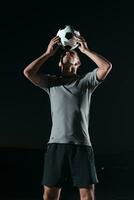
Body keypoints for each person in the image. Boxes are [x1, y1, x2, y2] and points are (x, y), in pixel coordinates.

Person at [23, 34, 112, 200]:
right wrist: (48, 53)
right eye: (63, 54)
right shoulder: (51, 82)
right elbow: (28, 72)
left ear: (77, 63)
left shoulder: (86, 82)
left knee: (87, 195)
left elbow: (106, 67)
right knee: (49, 195)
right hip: (56, 145)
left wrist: (85, 50)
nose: (67, 53)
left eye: (73, 54)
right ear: (59, 63)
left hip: (82, 146)